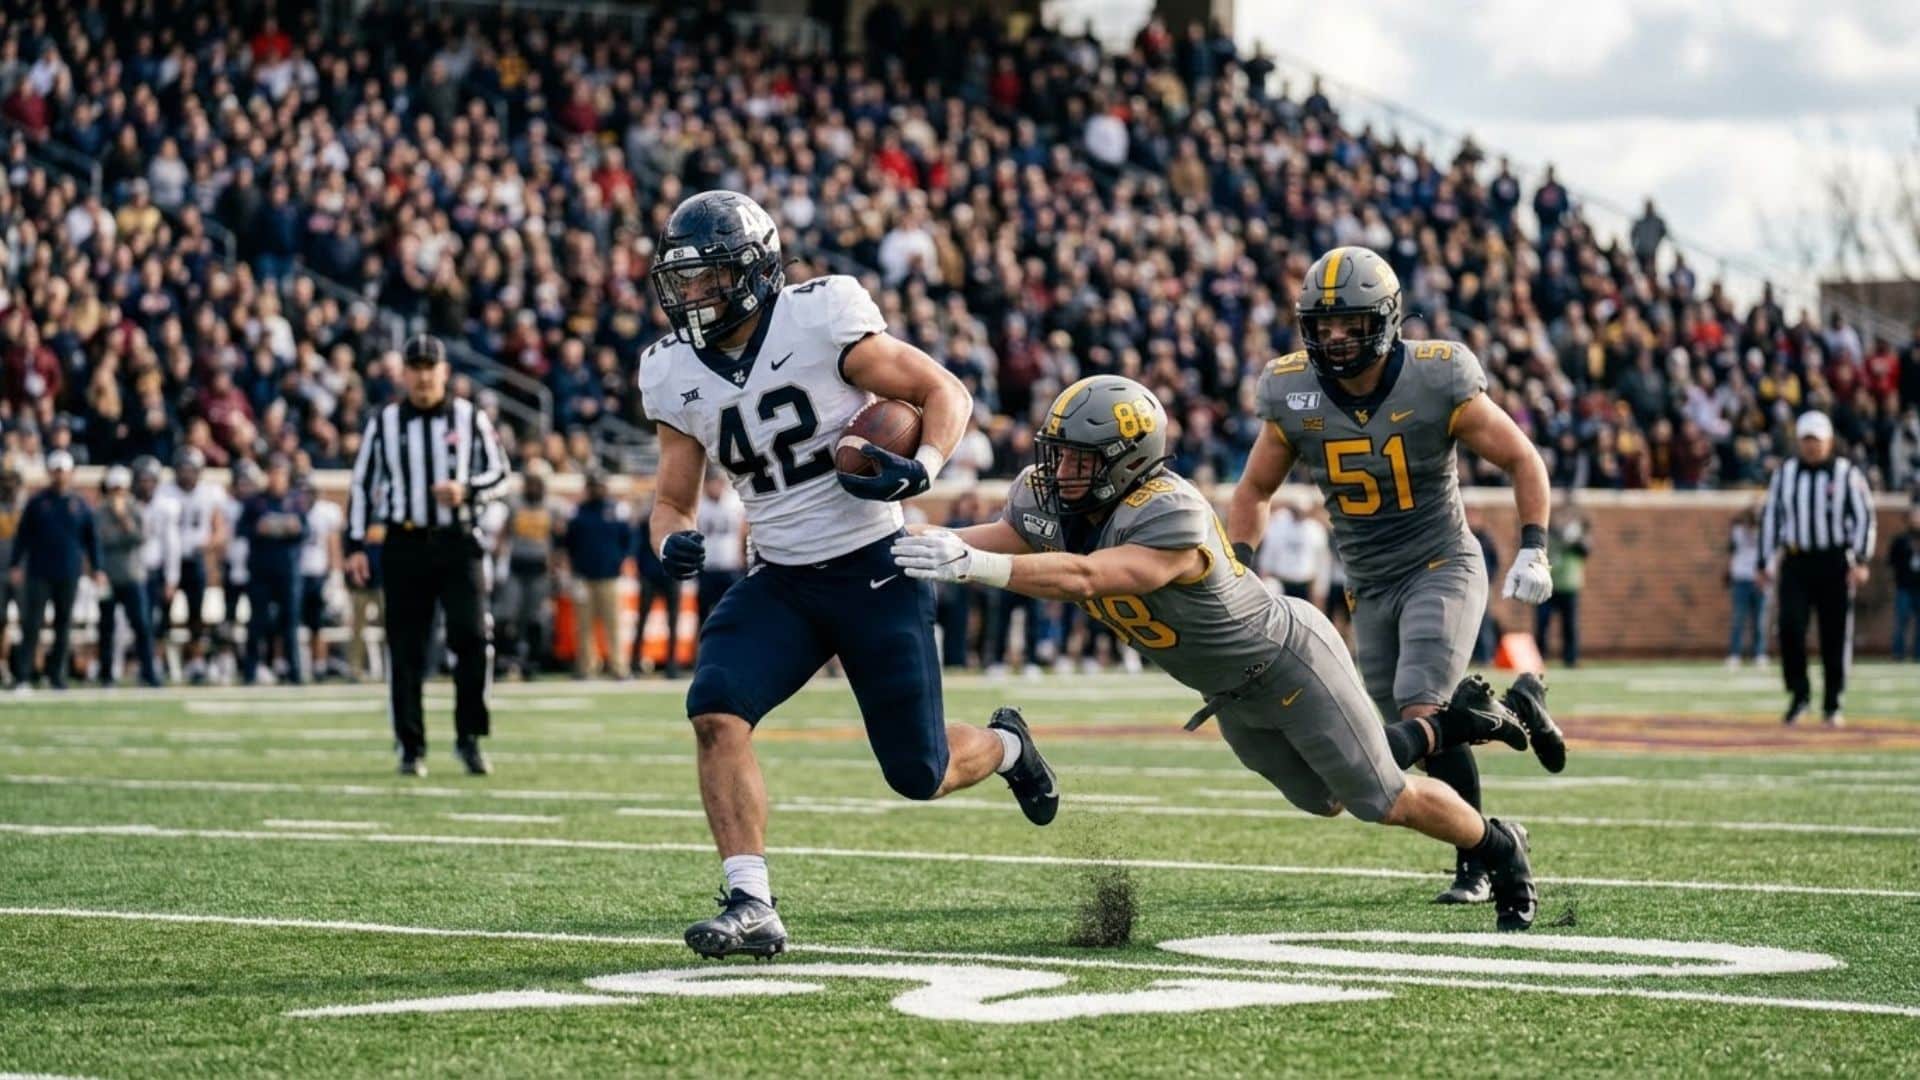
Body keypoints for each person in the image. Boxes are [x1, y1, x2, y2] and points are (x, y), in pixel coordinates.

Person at [894, 377, 1551, 932]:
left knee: (1380, 798)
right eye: (1058, 455)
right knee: (1324, 797)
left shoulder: (1171, 511)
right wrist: (912, 541)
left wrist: (971, 565)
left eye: (1081, 460)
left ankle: (1501, 847)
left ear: (1126, 461)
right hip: (1228, 693)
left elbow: (1089, 577)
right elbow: (1012, 535)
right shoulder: (1046, 495)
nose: (1062, 472)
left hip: (1289, 662)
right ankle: (1447, 726)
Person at [637, 190, 1057, 959]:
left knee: (918, 772)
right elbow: (671, 498)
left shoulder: (820, 317)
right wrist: (673, 541)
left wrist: (920, 467)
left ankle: (1006, 747)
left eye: (708, 277)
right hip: (782, 579)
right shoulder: (669, 370)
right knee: (715, 710)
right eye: (682, 280)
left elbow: (942, 391)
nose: (692, 295)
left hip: (873, 567)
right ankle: (751, 900)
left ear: (756, 272)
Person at [1228, 246, 1562, 907]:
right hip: (1369, 583)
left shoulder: (1436, 378)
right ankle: (1514, 709)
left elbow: (1522, 457)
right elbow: (1255, 488)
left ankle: (1479, 858)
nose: (1334, 338)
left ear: (1384, 320)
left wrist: (1534, 544)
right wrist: (1236, 564)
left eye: (1348, 324)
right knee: (1397, 743)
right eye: (1322, 326)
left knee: (1421, 708)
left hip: (1440, 561)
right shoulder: (1293, 392)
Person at [345, 333, 509, 776]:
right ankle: (410, 746)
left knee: (473, 639)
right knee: (407, 649)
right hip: (405, 542)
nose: (422, 375)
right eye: (414, 367)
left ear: (444, 371)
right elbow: (362, 484)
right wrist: (356, 544)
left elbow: (501, 473)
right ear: (403, 373)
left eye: (428, 366)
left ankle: (469, 738)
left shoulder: (468, 416)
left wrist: (466, 489)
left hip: (459, 540)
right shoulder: (384, 422)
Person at [1759, 411, 1877, 726]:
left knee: (1834, 634)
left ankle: (1832, 702)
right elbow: (1771, 518)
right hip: (1797, 561)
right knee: (1790, 628)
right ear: (1798, 442)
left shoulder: (1846, 473)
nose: (1811, 447)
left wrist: (1861, 559)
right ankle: (1799, 696)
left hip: (1833, 560)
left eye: (1817, 440)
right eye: (1806, 440)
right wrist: (1763, 561)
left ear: (1828, 442)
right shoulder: (1784, 474)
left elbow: (1865, 517)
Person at [9, 451, 105, 690]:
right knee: (32, 624)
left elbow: (91, 540)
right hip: (39, 572)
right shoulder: (38, 503)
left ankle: (57, 675)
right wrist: (15, 564)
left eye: (64, 470)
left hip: (68, 572)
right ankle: (23, 675)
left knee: (63, 626)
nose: (60, 475)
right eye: (56, 470)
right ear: (50, 472)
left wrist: (97, 568)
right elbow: (22, 537)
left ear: (71, 473)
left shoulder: (80, 504)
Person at [236, 456, 307, 686]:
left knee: (290, 623)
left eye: (282, 473)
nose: (277, 478)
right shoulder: (256, 502)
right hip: (261, 570)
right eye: (274, 473)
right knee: (257, 622)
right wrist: (260, 529)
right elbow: (242, 529)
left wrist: (293, 528)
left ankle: (294, 671)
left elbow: (305, 530)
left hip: (288, 570)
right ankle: (250, 671)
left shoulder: (296, 501)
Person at [159, 448, 227, 684]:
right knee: (162, 613)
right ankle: (160, 661)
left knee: (196, 615)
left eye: (191, 470)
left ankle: (195, 662)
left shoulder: (210, 493)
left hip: (195, 558)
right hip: (168, 559)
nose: (187, 474)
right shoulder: (165, 492)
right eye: (183, 469)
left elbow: (220, 530)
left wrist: (207, 545)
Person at [94, 466, 163, 687]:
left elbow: (139, 537)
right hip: (109, 576)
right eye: (114, 489)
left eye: (121, 489)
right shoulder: (99, 513)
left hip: (133, 575)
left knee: (142, 625)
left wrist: (123, 518)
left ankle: (148, 672)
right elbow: (100, 541)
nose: (118, 494)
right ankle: (106, 674)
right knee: (106, 628)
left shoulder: (135, 510)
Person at [495, 465, 565, 679]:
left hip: (539, 568)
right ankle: (503, 659)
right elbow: (503, 533)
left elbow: (559, 539)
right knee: (506, 615)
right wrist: (498, 559)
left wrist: (557, 566)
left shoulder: (552, 507)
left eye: (537, 483)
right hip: (516, 565)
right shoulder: (515, 504)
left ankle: (531, 662)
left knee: (535, 618)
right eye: (530, 482)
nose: (534, 487)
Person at [563, 470, 631, 680]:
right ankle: (587, 667)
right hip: (583, 575)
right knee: (583, 625)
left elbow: (629, 538)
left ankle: (619, 667)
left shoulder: (616, 510)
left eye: (599, 486)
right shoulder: (578, 512)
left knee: (614, 624)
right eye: (593, 486)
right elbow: (569, 542)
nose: (596, 490)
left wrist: (621, 560)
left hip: (610, 575)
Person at [130, 455, 180, 679]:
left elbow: (171, 544)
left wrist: (171, 578)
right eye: (143, 480)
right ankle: (137, 666)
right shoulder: (128, 505)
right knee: (136, 623)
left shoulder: (165, 507)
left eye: (151, 480)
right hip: (130, 572)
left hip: (153, 571)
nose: (146, 485)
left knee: (154, 623)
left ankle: (151, 666)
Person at [296, 473, 344, 680]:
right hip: (295, 574)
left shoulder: (326, 512)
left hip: (317, 574)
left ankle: (319, 664)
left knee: (318, 624)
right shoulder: (291, 509)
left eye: (309, 492)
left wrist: (335, 575)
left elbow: (333, 544)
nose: (305, 497)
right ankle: (291, 664)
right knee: (288, 624)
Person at [630, 500, 684, 679]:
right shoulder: (647, 520)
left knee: (673, 621)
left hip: (668, 573)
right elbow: (637, 546)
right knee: (643, 619)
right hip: (651, 573)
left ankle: (672, 663)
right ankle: (635, 661)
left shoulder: (676, 520)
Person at [1535, 500, 1589, 667]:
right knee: (1542, 624)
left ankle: (1570, 658)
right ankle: (1539, 657)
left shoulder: (1579, 535)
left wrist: (1573, 539)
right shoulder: (1548, 534)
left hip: (1569, 584)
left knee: (1570, 625)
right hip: (1548, 584)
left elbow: (1585, 550)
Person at [693, 468, 747, 631]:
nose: (717, 486)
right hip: (707, 567)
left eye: (719, 482)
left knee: (733, 614)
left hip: (730, 565)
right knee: (703, 615)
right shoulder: (699, 506)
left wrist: (742, 554)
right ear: (706, 484)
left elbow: (744, 529)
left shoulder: (734, 502)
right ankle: (701, 652)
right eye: (713, 482)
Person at [1727, 503, 1767, 667]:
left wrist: (1766, 574)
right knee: (1738, 618)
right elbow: (1732, 551)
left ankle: (1759, 653)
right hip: (1741, 577)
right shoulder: (1738, 532)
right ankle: (1734, 654)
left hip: (1759, 578)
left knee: (1759, 620)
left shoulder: (1765, 533)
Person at [0, 465, 23, 686]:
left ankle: (24, 670)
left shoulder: (25, 508)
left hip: (22, 572)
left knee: (29, 621)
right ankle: (3, 666)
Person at [1893, 508, 1920, 662]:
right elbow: (1893, 561)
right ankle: (1899, 653)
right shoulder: (1901, 540)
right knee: (1901, 621)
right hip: (1904, 586)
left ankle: (1918, 654)